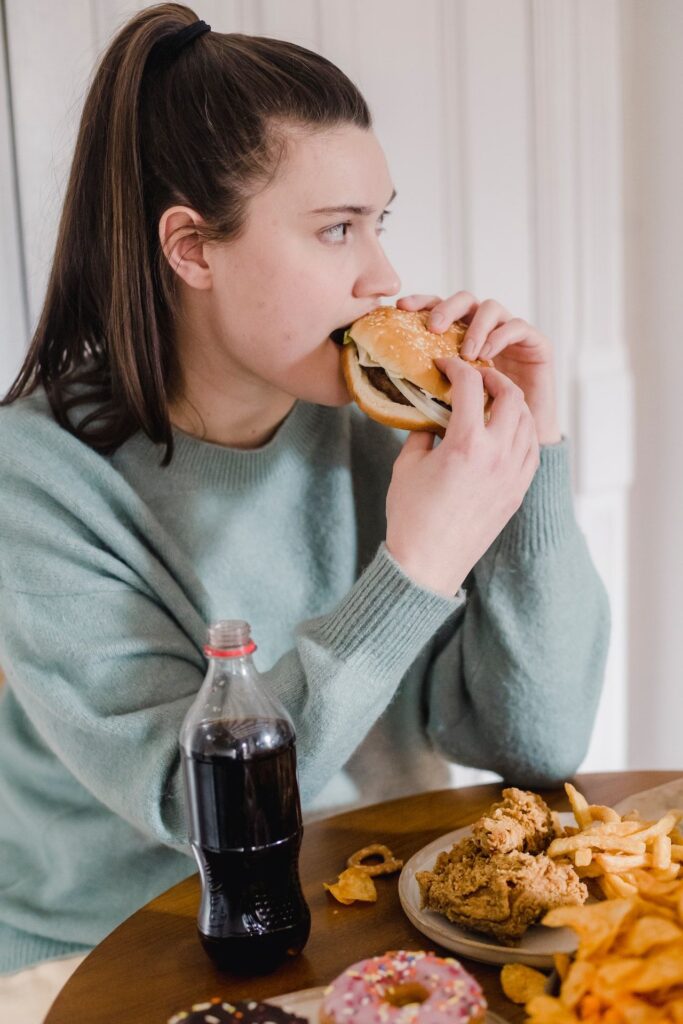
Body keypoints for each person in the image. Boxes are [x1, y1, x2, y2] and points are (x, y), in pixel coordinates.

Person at [0, 3, 610, 1019]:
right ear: (192, 248)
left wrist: (528, 460)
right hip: (114, 956)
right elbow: (180, 801)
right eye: (336, 230)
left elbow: (537, 743)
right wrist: (411, 569)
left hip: (372, 913)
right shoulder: (36, 477)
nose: (383, 276)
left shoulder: (380, 422)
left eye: (380, 223)